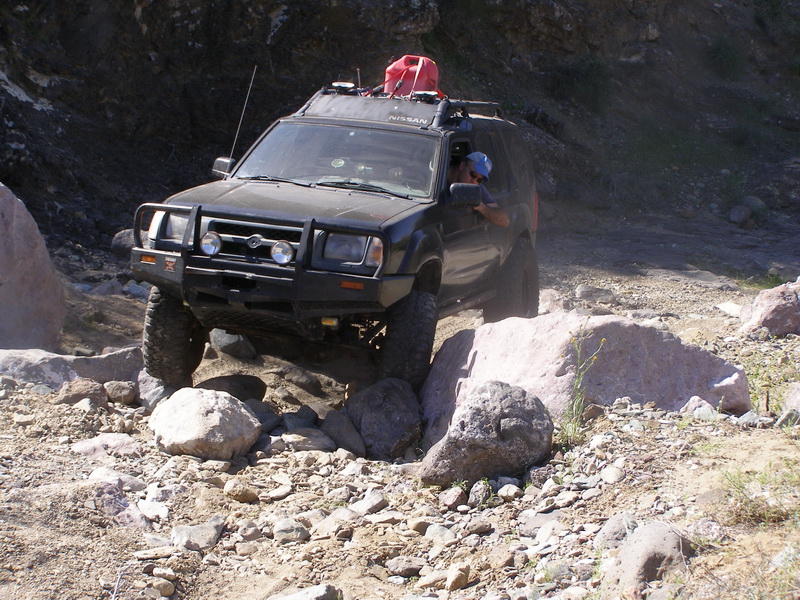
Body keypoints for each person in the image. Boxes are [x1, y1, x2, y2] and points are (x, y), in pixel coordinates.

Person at [448, 151, 510, 228]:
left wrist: (481, 207)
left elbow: (505, 221)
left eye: (479, 180)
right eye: (473, 174)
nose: (474, 181)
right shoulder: (438, 176)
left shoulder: (476, 188)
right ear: (462, 165)